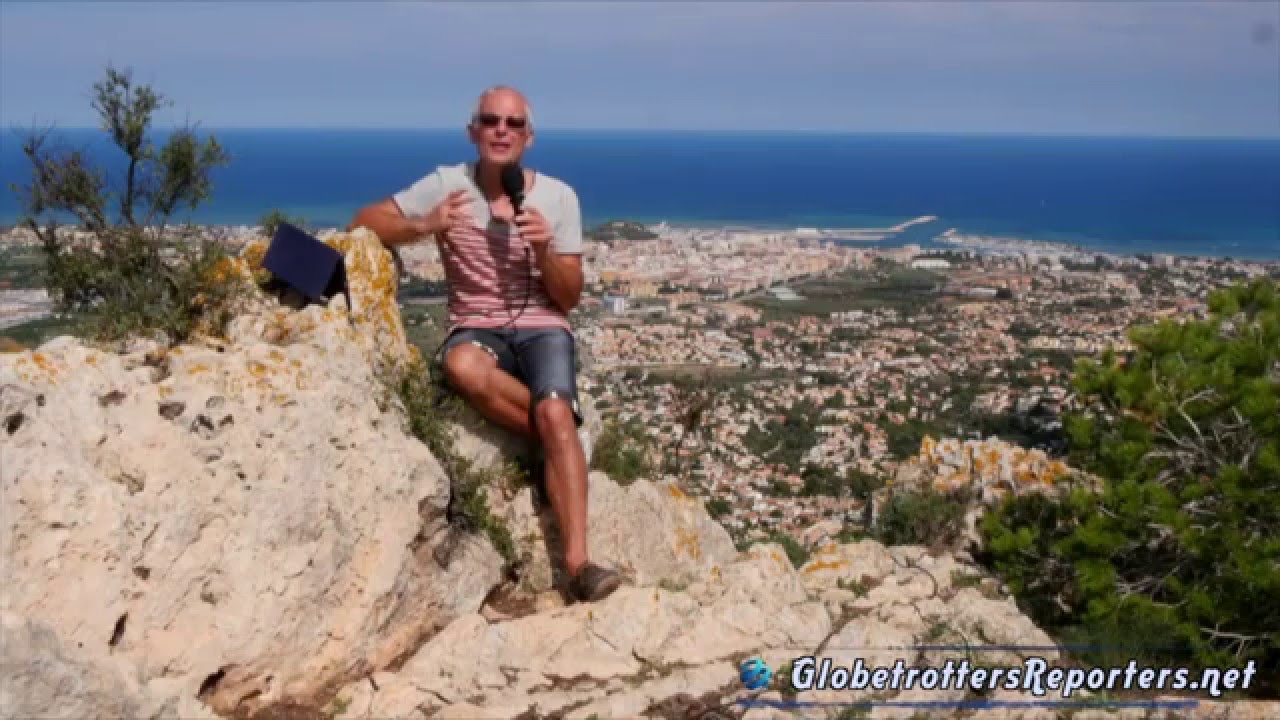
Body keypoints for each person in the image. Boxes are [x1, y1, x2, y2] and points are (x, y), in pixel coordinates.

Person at [349, 86, 621, 603]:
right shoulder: (447, 184)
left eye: (513, 123)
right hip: (476, 324)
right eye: (491, 121)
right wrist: (423, 225)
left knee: (558, 410)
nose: (502, 130)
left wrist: (543, 251)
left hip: (543, 323)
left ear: (529, 137)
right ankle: (555, 446)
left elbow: (567, 298)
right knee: (463, 366)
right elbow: (364, 220)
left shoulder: (559, 198)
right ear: (473, 131)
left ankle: (579, 565)